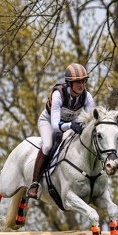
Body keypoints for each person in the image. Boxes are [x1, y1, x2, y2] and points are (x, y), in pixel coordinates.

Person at [26, 63, 96, 199]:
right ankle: (35, 183)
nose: (81, 85)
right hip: (49, 121)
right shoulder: (58, 94)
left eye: (83, 81)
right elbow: (56, 126)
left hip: (71, 120)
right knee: (47, 146)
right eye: (77, 82)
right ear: (69, 83)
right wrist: (71, 126)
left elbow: (90, 121)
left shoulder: (87, 97)